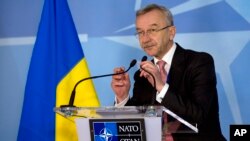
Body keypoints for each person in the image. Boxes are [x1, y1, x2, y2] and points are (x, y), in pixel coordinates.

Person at [111, 3, 226, 141]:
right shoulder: (142, 76)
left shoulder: (199, 63)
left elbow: (198, 116)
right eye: (140, 32)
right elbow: (136, 126)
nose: (145, 39)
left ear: (171, 32)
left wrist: (161, 86)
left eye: (152, 30)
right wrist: (123, 97)